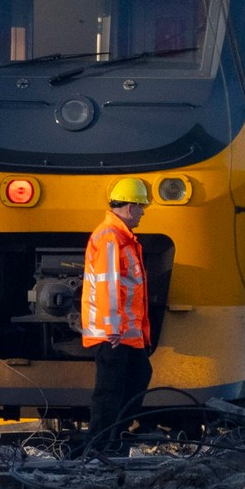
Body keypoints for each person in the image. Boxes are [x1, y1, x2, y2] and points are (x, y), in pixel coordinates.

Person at [82, 177, 154, 452]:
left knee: (137, 377)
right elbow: (108, 284)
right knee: (109, 393)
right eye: (141, 206)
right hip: (112, 333)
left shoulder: (121, 237)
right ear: (130, 207)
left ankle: (115, 440)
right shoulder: (111, 237)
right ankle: (99, 448)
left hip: (124, 334)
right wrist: (112, 327)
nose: (143, 212)